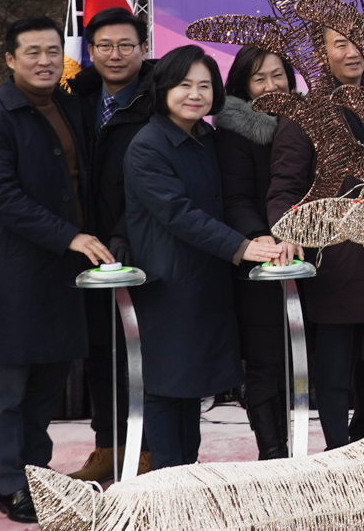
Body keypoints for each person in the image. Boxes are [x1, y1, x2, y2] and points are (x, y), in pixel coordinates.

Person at [0, 15, 112, 524]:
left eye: (52, 52)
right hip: (18, 270)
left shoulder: (67, 104)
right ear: (10, 59)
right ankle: (12, 482)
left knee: (50, 379)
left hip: (68, 269)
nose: (44, 61)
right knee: (10, 383)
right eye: (33, 52)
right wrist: (69, 235)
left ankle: (38, 474)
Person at [123, 46, 292, 469]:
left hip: (204, 280)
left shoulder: (204, 138)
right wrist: (242, 246)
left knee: (191, 388)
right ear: (164, 88)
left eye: (204, 85)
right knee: (167, 387)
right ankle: (168, 482)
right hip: (168, 282)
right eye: (185, 85)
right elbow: (178, 213)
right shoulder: (148, 146)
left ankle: (187, 474)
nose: (195, 94)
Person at [266, 22, 364, 443]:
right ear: (321, 55)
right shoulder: (306, 114)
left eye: (359, 42)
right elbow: (284, 188)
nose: (353, 52)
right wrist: (287, 232)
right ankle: (338, 452)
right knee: (334, 375)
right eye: (340, 44)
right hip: (336, 261)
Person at [64, 6, 150, 483]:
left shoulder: (159, 97)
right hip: (87, 247)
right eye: (104, 46)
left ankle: (146, 448)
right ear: (91, 51)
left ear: (143, 49)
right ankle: (107, 446)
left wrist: (124, 234)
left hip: (140, 243)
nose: (115, 55)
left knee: (141, 351)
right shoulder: (75, 98)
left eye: (125, 45)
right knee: (100, 351)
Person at [216, 43, 302, 459]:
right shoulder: (232, 131)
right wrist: (259, 238)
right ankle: (273, 453)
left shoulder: (310, 120)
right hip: (259, 258)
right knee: (266, 361)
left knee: (305, 359)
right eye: (259, 78)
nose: (271, 85)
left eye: (277, 75)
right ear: (242, 85)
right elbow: (234, 197)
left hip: (307, 253)